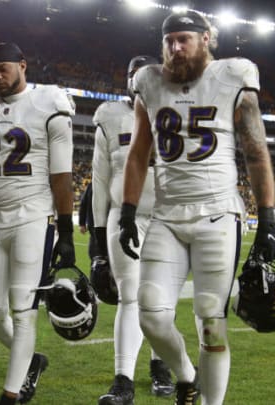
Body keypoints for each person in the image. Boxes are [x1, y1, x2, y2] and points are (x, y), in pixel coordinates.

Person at [119, 10, 275, 405]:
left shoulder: (233, 75)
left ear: (206, 39)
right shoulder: (149, 82)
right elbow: (139, 154)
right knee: (151, 316)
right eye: (169, 40)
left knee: (212, 319)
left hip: (217, 215)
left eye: (183, 39)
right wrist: (126, 211)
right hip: (167, 216)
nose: (174, 48)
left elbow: (256, 151)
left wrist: (268, 220)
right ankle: (188, 376)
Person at [0, 42, 75, 405]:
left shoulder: (49, 101)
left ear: (23, 65)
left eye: (3, 69)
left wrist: (65, 231)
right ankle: (32, 361)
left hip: (33, 218)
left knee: (23, 310)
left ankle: (11, 393)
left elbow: (62, 174)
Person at [91, 55, 173, 405]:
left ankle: (160, 365)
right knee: (130, 296)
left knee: (162, 299)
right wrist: (96, 240)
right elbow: (99, 179)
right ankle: (123, 379)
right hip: (124, 217)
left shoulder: (179, 113)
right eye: (132, 74)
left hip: (167, 219)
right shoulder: (110, 116)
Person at [78, 183, 99, 260]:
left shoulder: (92, 185)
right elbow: (83, 204)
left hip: (98, 227)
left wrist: (82, 223)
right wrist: (82, 223)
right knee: (95, 256)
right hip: (95, 227)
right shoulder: (91, 185)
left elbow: (83, 204)